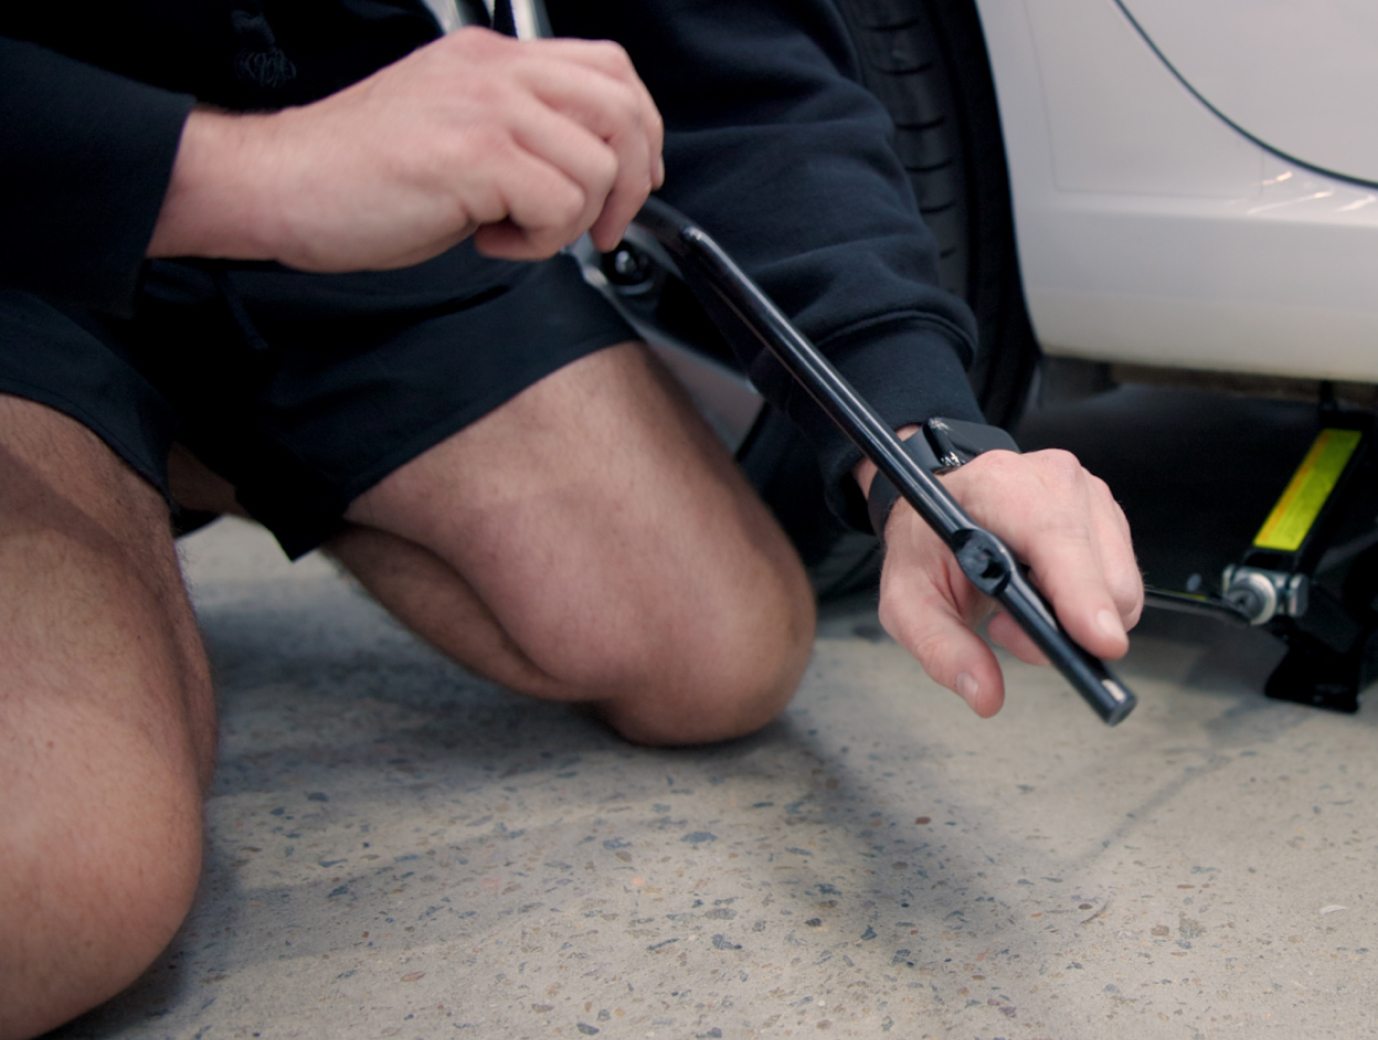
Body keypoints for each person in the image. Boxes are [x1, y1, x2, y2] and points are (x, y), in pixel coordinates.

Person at [0, 1, 1143, 1034]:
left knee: (720, 645)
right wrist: (242, 175)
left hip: (351, 155)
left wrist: (916, 442)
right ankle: (98, 461)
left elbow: (732, 56)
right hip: (39, 213)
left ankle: (187, 456)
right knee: (64, 877)